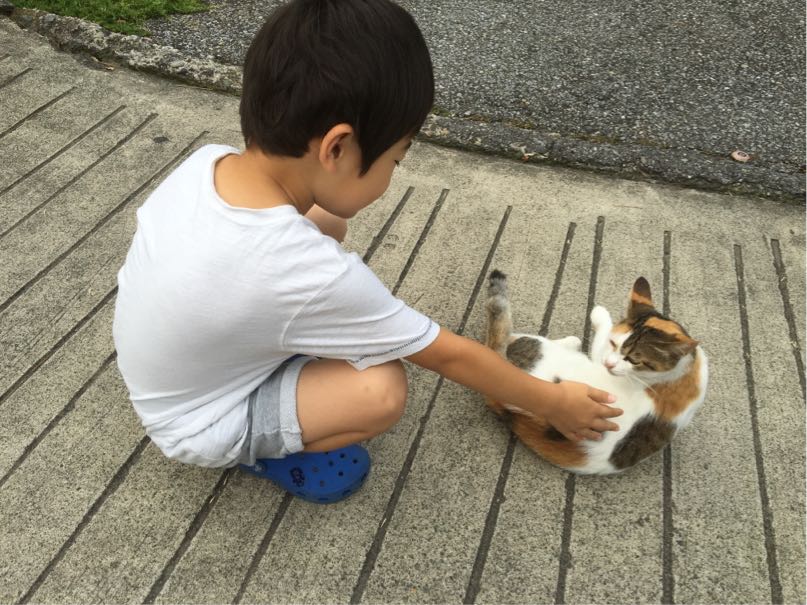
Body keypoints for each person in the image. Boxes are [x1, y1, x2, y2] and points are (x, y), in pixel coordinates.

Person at [112, 0, 622, 504]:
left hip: (171, 374)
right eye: (395, 161)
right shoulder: (309, 272)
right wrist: (554, 402)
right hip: (201, 423)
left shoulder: (210, 162)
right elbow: (448, 353)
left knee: (326, 219)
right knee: (381, 389)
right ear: (336, 148)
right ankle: (258, 451)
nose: (393, 174)